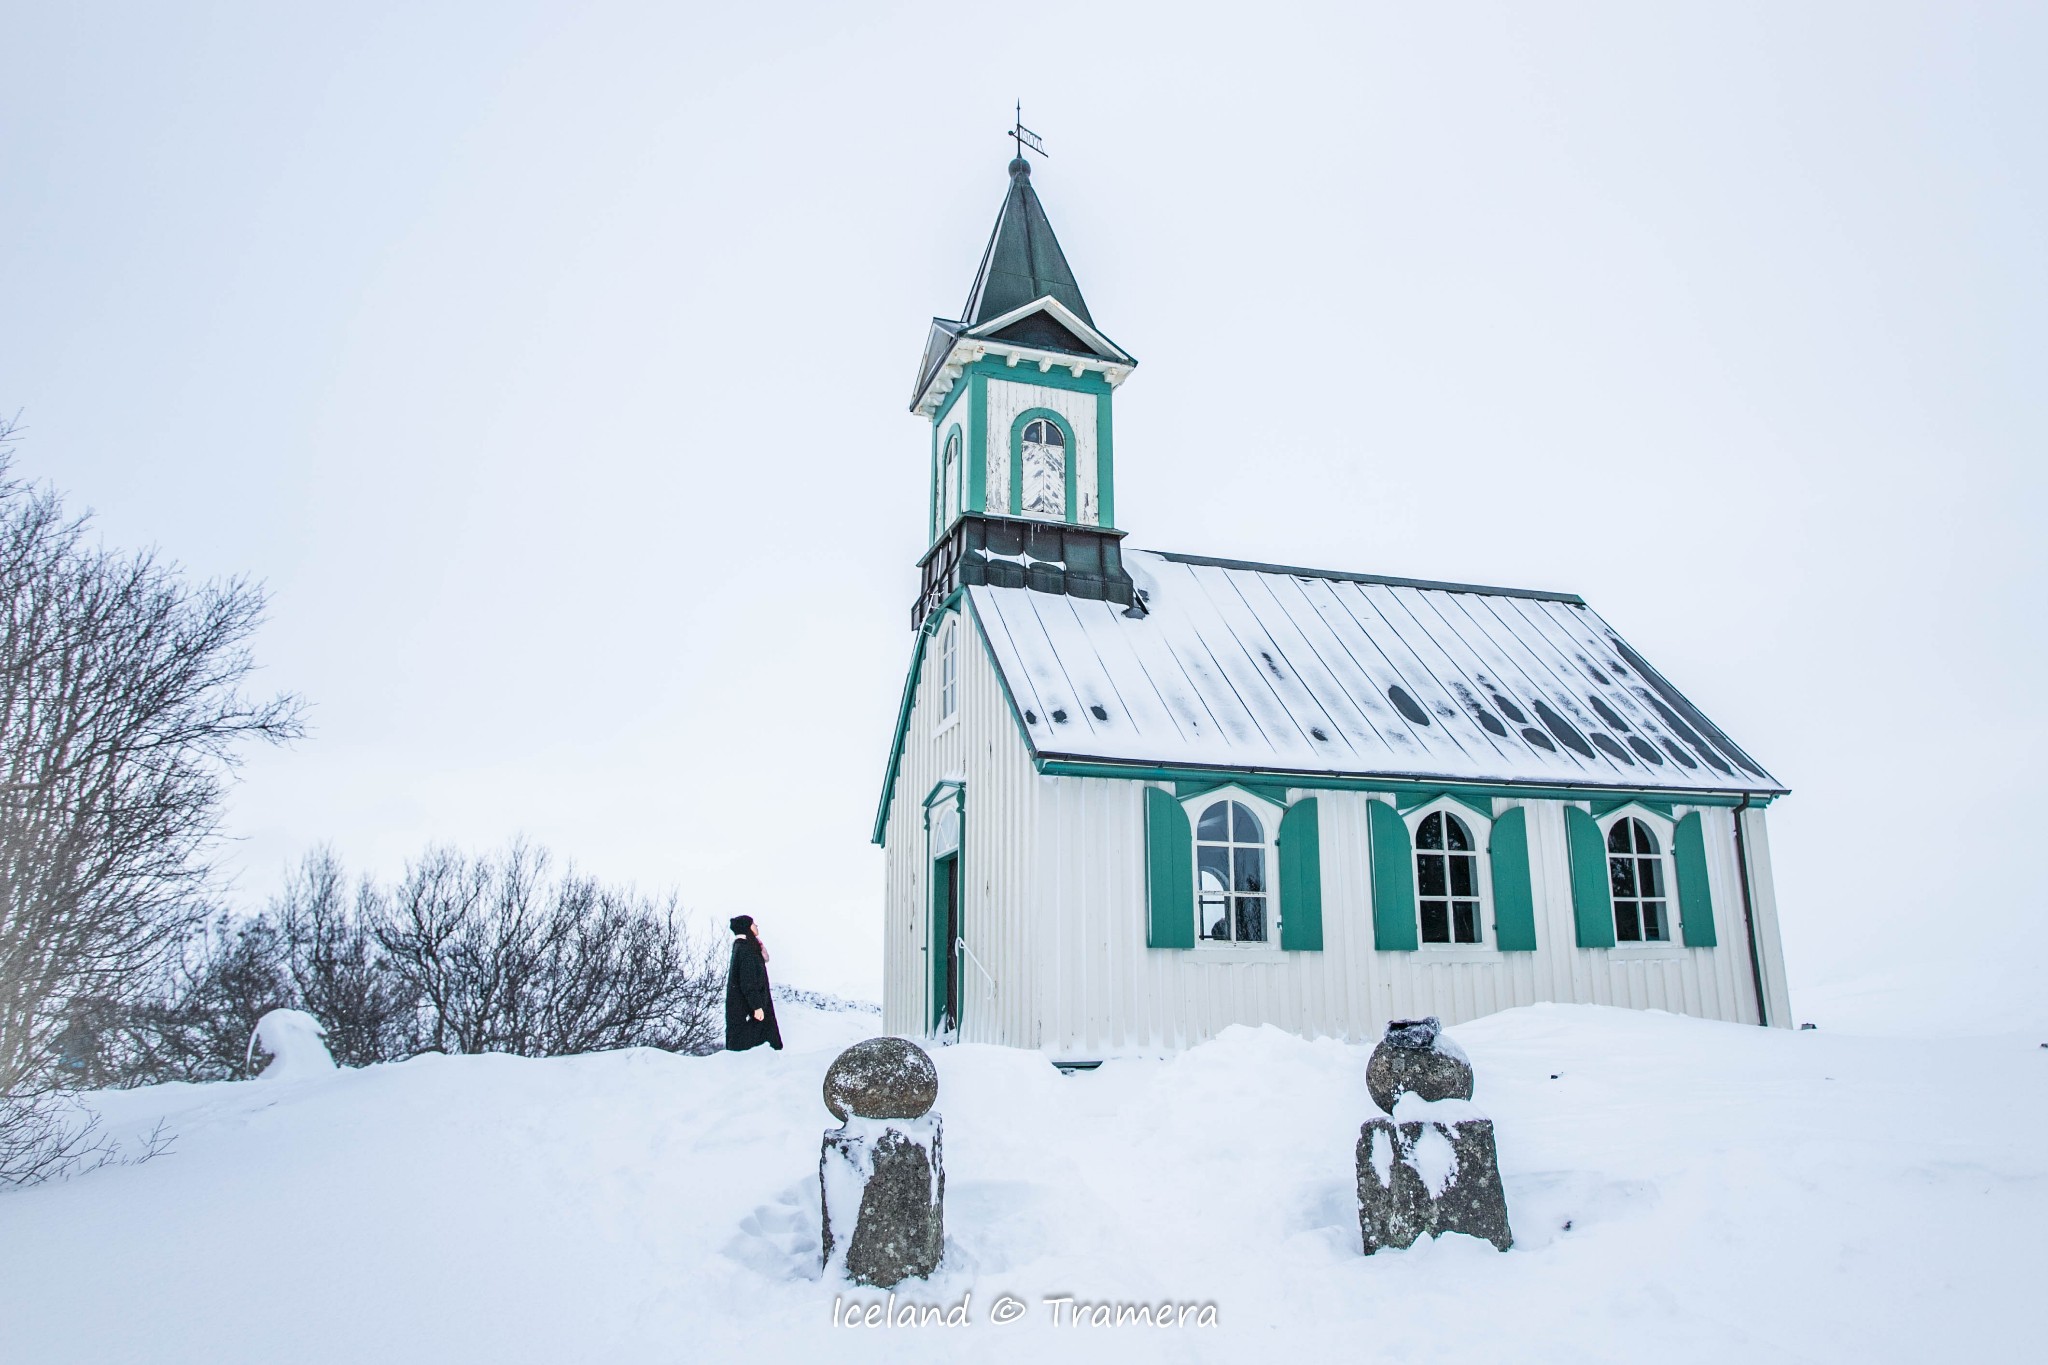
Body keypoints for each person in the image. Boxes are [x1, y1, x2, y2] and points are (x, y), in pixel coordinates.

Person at [724, 914, 783, 1052]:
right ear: (747, 927)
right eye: (753, 923)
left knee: (759, 1043)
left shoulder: (744, 947)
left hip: (749, 1007)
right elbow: (748, 981)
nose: (756, 926)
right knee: (759, 1046)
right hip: (750, 1010)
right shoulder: (746, 950)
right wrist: (757, 1007)